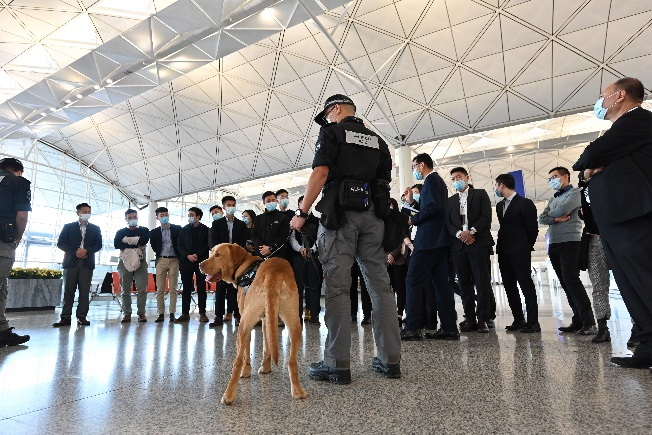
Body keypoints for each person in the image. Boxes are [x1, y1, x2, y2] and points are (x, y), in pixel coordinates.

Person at [290, 94, 401, 383]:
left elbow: (321, 172)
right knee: (380, 288)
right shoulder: (378, 140)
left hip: (340, 218)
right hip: (374, 218)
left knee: (338, 289)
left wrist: (302, 212)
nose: (327, 120)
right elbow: (384, 181)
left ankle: (337, 364)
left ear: (336, 109)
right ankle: (390, 361)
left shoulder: (331, 132)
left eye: (328, 114)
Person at [572, 77, 652, 369]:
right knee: (631, 283)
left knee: (644, 278)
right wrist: (587, 173)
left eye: (603, 96)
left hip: (633, 216)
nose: (600, 102)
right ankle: (647, 343)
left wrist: (589, 168)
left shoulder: (637, 120)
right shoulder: (622, 132)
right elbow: (587, 166)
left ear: (619, 96)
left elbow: (590, 154)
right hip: (616, 219)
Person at [401, 153, 458, 341]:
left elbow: (433, 207)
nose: (414, 170)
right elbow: (430, 206)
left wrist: (413, 219)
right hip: (439, 240)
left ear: (422, 165)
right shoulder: (436, 182)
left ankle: (412, 327)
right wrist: (412, 204)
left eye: (414, 166)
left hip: (428, 240)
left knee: (412, 280)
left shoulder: (431, 180)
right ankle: (449, 327)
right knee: (441, 284)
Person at [538, 167, 595, 335]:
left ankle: (589, 322)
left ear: (565, 177)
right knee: (565, 282)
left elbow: (562, 210)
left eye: (554, 177)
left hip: (570, 242)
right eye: (550, 179)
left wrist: (551, 217)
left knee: (572, 280)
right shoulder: (552, 199)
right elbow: (541, 218)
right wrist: (555, 219)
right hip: (554, 243)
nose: (552, 181)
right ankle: (577, 320)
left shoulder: (575, 193)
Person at [447, 167, 495, 333]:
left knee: (482, 283)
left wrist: (471, 232)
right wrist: (460, 234)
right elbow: (449, 224)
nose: (455, 181)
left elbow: (486, 217)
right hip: (459, 247)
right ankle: (470, 319)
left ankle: (483, 319)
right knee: (464, 284)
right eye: (452, 179)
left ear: (467, 178)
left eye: (458, 177)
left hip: (478, 243)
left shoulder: (480, 194)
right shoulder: (451, 201)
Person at [494, 174, 540, 333]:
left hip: (520, 250)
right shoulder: (500, 206)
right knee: (509, 285)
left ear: (501, 185)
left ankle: (533, 322)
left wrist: (525, 246)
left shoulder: (525, 203)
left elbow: (532, 229)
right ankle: (519, 319)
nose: (496, 188)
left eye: (496, 185)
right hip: (504, 251)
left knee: (525, 284)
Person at [54, 203, 103, 327]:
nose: (87, 214)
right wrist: (76, 251)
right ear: (78, 213)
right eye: (84, 211)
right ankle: (65, 317)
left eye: (89, 211)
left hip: (87, 263)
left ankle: (82, 316)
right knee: (69, 291)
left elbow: (98, 245)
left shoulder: (96, 228)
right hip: (71, 262)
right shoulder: (68, 227)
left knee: (84, 291)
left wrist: (86, 251)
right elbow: (61, 243)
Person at [0, 158, 31, 347]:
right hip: (3, 239)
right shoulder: (18, 182)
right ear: (18, 171)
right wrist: (17, 239)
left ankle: (2, 331)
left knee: (2, 286)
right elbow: (22, 215)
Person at [577, 175, 611, 343]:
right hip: (594, 238)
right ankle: (602, 326)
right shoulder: (585, 187)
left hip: (617, 235)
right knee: (598, 284)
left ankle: (639, 327)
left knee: (630, 283)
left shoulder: (615, 177)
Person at [209, 196, 247, 327]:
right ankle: (218, 316)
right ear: (224, 207)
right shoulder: (217, 224)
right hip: (220, 263)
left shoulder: (241, 224)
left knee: (236, 289)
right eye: (229, 205)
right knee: (220, 289)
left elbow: (243, 242)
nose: (231, 207)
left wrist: (233, 254)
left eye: (233, 205)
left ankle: (238, 315)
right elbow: (213, 242)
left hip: (236, 262)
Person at [290, 195, 322, 325]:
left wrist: (312, 250)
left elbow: (320, 237)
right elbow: (292, 238)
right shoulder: (294, 221)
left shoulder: (317, 221)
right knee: (298, 287)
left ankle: (314, 315)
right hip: (299, 257)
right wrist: (300, 249)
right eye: (301, 204)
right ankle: (297, 317)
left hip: (314, 257)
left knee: (314, 286)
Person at [114, 209, 150, 323]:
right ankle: (127, 313)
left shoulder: (144, 230)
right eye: (130, 218)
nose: (132, 219)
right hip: (124, 262)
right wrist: (136, 241)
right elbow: (117, 244)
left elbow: (144, 241)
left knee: (142, 288)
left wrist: (126, 240)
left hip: (141, 261)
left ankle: (141, 313)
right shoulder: (120, 231)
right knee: (125, 289)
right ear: (126, 219)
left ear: (137, 217)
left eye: (134, 217)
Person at [176, 207, 210, 323]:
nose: (190, 217)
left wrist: (197, 254)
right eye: (189, 214)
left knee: (201, 287)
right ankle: (185, 314)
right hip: (186, 262)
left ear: (198, 216)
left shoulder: (206, 229)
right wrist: (188, 255)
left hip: (201, 261)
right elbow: (179, 245)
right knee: (186, 288)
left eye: (192, 215)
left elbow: (208, 244)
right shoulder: (183, 229)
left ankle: (202, 313)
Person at [149, 206, 181, 323]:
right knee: (160, 289)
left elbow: (180, 243)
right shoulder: (153, 232)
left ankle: (172, 313)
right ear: (157, 218)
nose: (164, 217)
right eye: (161, 216)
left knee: (173, 288)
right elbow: (154, 246)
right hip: (161, 260)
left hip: (174, 260)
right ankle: (161, 314)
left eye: (166, 215)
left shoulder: (177, 229)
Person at [386, 198, 410, 325]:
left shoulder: (399, 220)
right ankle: (390, 313)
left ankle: (400, 314)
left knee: (400, 288)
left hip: (398, 260)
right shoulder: (382, 221)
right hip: (386, 261)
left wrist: (393, 255)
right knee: (389, 289)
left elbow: (402, 238)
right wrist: (387, 256)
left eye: (390, 205)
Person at [251, 191, 290, 259]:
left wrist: (271, 248)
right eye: (268, 201)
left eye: (273, 200)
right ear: (264, 203)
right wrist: (262, 247)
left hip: (277, 254)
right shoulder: (258, 218)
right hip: (260, 254)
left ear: (276, 201)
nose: (271, 202)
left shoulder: (282, 218)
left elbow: (283, 236)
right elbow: (254, 235)